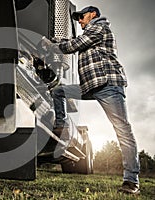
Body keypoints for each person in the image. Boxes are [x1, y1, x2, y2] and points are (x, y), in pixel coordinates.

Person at [40, 6, 140, 194]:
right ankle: (61, 126)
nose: (79, 20)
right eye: (77, 18)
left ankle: (131, 181)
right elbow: (71, 42)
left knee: (123, 131)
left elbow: (73, 45)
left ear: (93, 14)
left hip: (108, 85)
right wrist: (52, 42)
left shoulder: (99, 27)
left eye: (81, 16)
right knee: (59, 91)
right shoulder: (90, 32)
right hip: (90, 86)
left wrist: (51, 45)